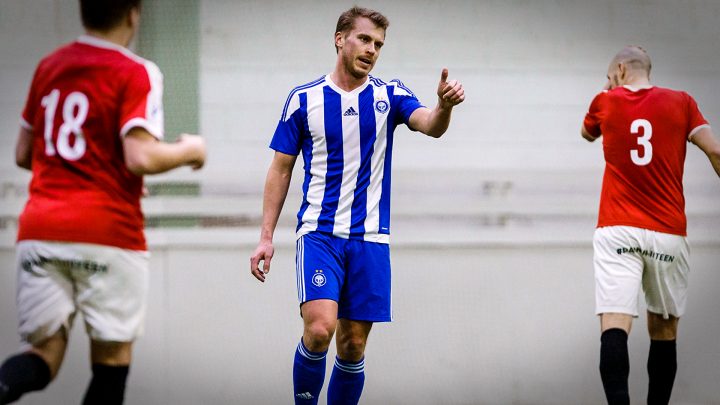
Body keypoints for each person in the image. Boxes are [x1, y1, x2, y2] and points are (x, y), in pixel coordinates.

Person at [250, 6, 464, 404]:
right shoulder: (304, 99)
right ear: (340, 39)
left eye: (379, 44)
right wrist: (265, 237)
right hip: (320, 233)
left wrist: (445, 107)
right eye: (364, 39)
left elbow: (430, 124)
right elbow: (280, 169)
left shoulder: (390, 95)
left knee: (352, 345)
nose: (372, 50)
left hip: (370, 238)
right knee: (319, 329)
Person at [0, 0, 206, 404]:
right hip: (108, 233)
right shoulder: (136, 71)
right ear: (133, 13)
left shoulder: (50, 66)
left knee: (43, 356)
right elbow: (140, 156)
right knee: (112, 360)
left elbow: (24, 153)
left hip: (41, 230)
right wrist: (190, 150)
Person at [582, 45, 720, 405]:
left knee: (614, 324)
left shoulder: (604, 101)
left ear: (622, 69)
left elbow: (587, 133)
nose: (608, 82)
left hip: (617, 230)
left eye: (611, 76)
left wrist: (609, 93)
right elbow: (716, 152)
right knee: (664, 330)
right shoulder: (683, 102)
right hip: (668, 232)